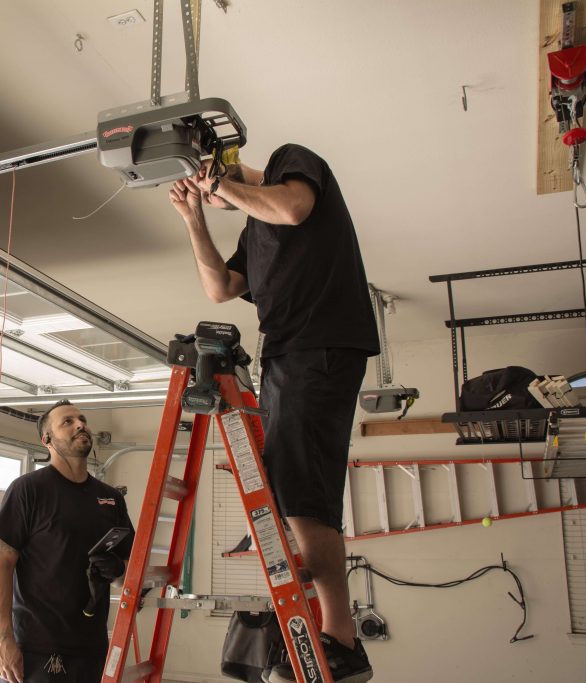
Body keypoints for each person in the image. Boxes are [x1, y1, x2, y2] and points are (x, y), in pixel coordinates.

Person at [169, 144, 380, 683]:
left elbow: (290, 209)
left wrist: (221, 184)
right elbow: (220, 287)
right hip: (289, 354)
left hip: (320, 345)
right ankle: (335, 634)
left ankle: (339, 639)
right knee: (292, 484)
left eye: (207, 182)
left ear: (225, 169)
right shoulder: (251, 233)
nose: (209, 193)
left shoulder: (293, 163)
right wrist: (195, 219)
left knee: (304, 489)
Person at [0, 400, 134, 683]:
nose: (81, 425)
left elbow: (128, 571)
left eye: (82, 419)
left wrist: (117, 570)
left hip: (92, 649)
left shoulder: (110, 498)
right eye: (67, 422)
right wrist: (4, 640)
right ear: (48, 440)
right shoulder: (28, 490)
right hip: (38, 651)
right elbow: (0, 564)